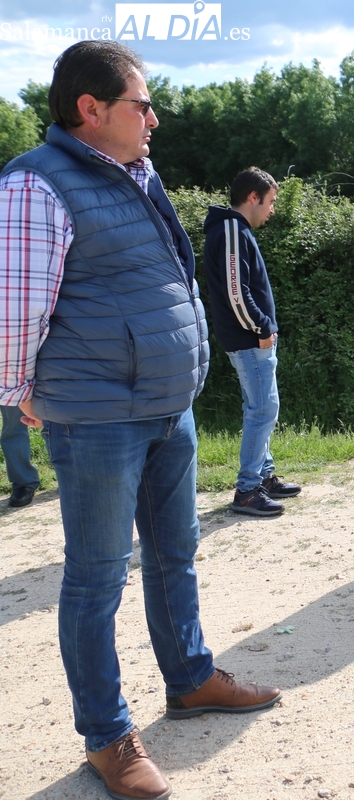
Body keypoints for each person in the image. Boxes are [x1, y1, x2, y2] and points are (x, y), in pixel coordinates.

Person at [0, 41, 281, 800]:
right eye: (141, 104)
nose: (154, 117)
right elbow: (14, 307)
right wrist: (16, 390)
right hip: (95, 416)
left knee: (175, 554)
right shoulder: (35, 184)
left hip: (166, 405)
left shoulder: (135, 169)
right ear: (91, 110)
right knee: (95, 579)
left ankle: (189, 679)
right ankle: (107, 735)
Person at [203, 167, 301, 517]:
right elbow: (235, 290)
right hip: (249, 339)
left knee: (259, 407)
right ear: (252, 197)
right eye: (270, 201)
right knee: (263, 410)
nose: (272, 209)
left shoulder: (233, 228)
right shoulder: (231, 228)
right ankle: (247, 489)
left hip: (248, 338)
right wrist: (261, 328)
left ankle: (264, 474)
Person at [1, 405, 40, 507]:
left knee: (62, 418)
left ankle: (73, 474)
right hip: (10, 389)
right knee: (13, 425)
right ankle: (23, 482)